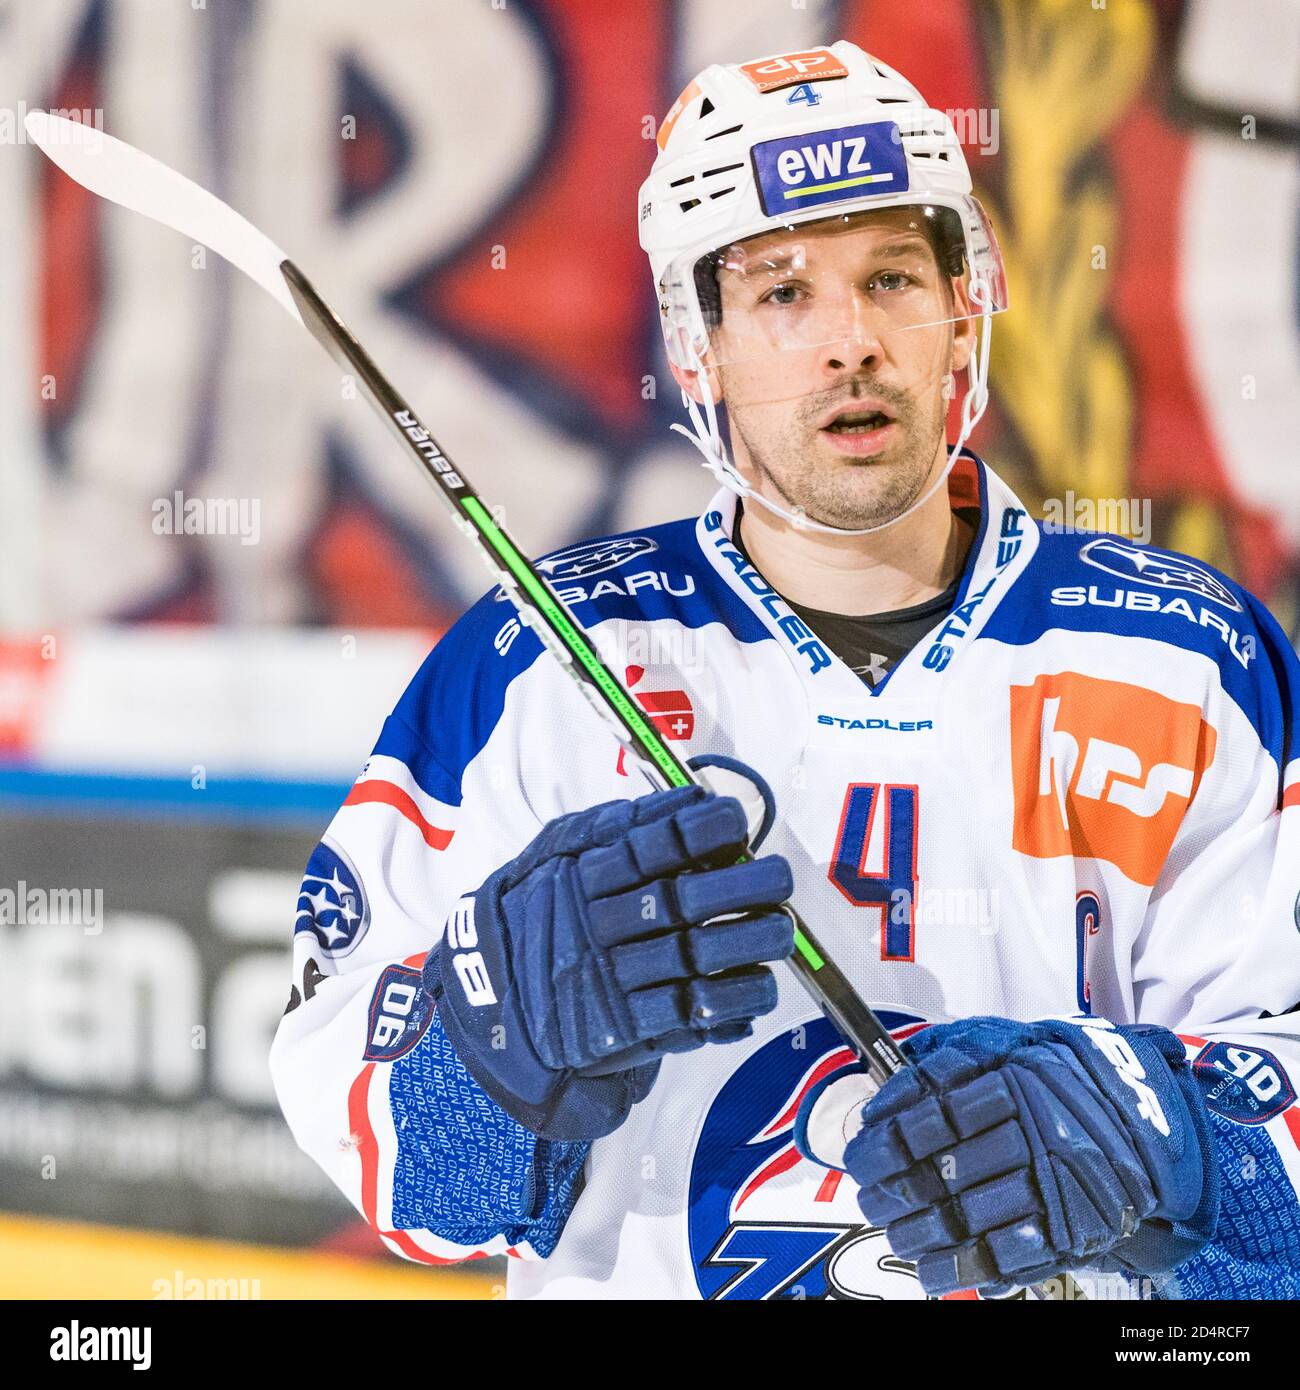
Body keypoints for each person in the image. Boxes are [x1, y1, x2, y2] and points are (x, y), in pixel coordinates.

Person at [271, 41, 1300, 1300]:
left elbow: (1279, 1206)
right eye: (780, 296)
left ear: (963, 307)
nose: (850, 344)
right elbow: (404, 1184)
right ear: (697, 350)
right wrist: (497, 1042)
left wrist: (1163, 1140)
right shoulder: (539, 666)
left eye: (891, 278)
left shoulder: (1187, 659)